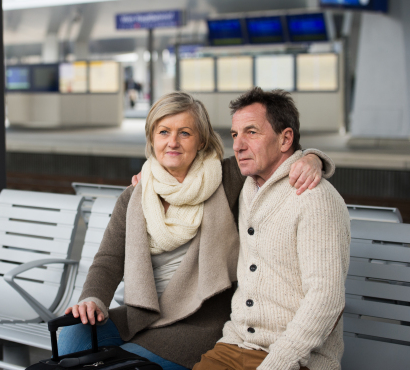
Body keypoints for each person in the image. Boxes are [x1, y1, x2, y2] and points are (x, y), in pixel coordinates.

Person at [58, 92, 332, 370]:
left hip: (198, 325)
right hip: (143, 316)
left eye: (184, 133)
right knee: (72, 337)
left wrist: (313, 159)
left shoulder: (225, 179)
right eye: (163, 132)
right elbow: (108, 260)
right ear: (152, 139)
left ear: (201, 140)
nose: (172, 142)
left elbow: (274, 153)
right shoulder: (135, 195)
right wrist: (93, 299)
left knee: (125, 364)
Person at [193, 88, 350, 370]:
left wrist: (277, 363)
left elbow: (326, 300)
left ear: (285, 138)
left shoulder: (314, 198)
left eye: (251, 132)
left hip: (297, 358)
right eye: (234, 134)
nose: (238, 145)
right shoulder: (248, 186)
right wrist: (148, 176)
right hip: (234, 345)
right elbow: (185, 172)